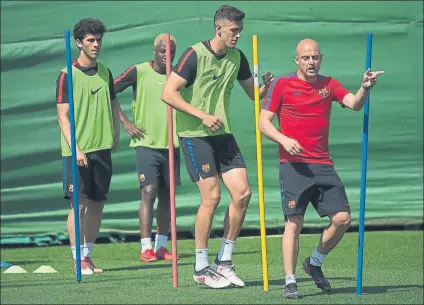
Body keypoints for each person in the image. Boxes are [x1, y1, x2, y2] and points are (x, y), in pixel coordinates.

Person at [259, 38, 384, 299]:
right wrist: (284, 139)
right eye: (305, 58)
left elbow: (354, 103)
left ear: (321, 58)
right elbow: (263, 122)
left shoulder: (329, 85)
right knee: (294, 223)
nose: (311, 62)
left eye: (315, 57)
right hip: (293, 165)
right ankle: (290, 280)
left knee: (342, 219)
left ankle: (314, 262)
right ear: (297, 60)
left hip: (323, 163)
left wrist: (365, 87)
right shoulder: (282, 84)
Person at [161, 5, 274, 288]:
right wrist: (202, 115)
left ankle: (224, 261)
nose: (237, 35)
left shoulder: (238, 58)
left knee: (243, 194)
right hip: (194, 134)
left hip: (223, 134)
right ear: (219, 29)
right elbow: (168, 93)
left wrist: (266, 87)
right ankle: (200, 266)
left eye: (240, 31)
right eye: (234, 31)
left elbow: (253, 95)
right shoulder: (194, 55)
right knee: (211, 198)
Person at [56, 18, 120, 275]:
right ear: (79, 43)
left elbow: (114, 104)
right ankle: (76, 258)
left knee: (97, 204)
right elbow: (63, 115)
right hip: (77, 151)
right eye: (91, 40)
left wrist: (115, 134)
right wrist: (77, 149)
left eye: (98, 40)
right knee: (78, 205)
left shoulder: (105, 72)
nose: (96, 44)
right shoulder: (66, 75)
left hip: (102, 147)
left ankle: (88, 255)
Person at [113, 34, 180, 262]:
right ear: (154, 51)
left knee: (167, 196)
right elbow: (109, 91)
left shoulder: (179, 75)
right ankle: (145, 248)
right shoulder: (139, 71)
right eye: (163, 51)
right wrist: (125, 123)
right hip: (146, 144)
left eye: (171, 52)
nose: (166, 56)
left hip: (172, 145)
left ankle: (162, 247)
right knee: (149, 191)